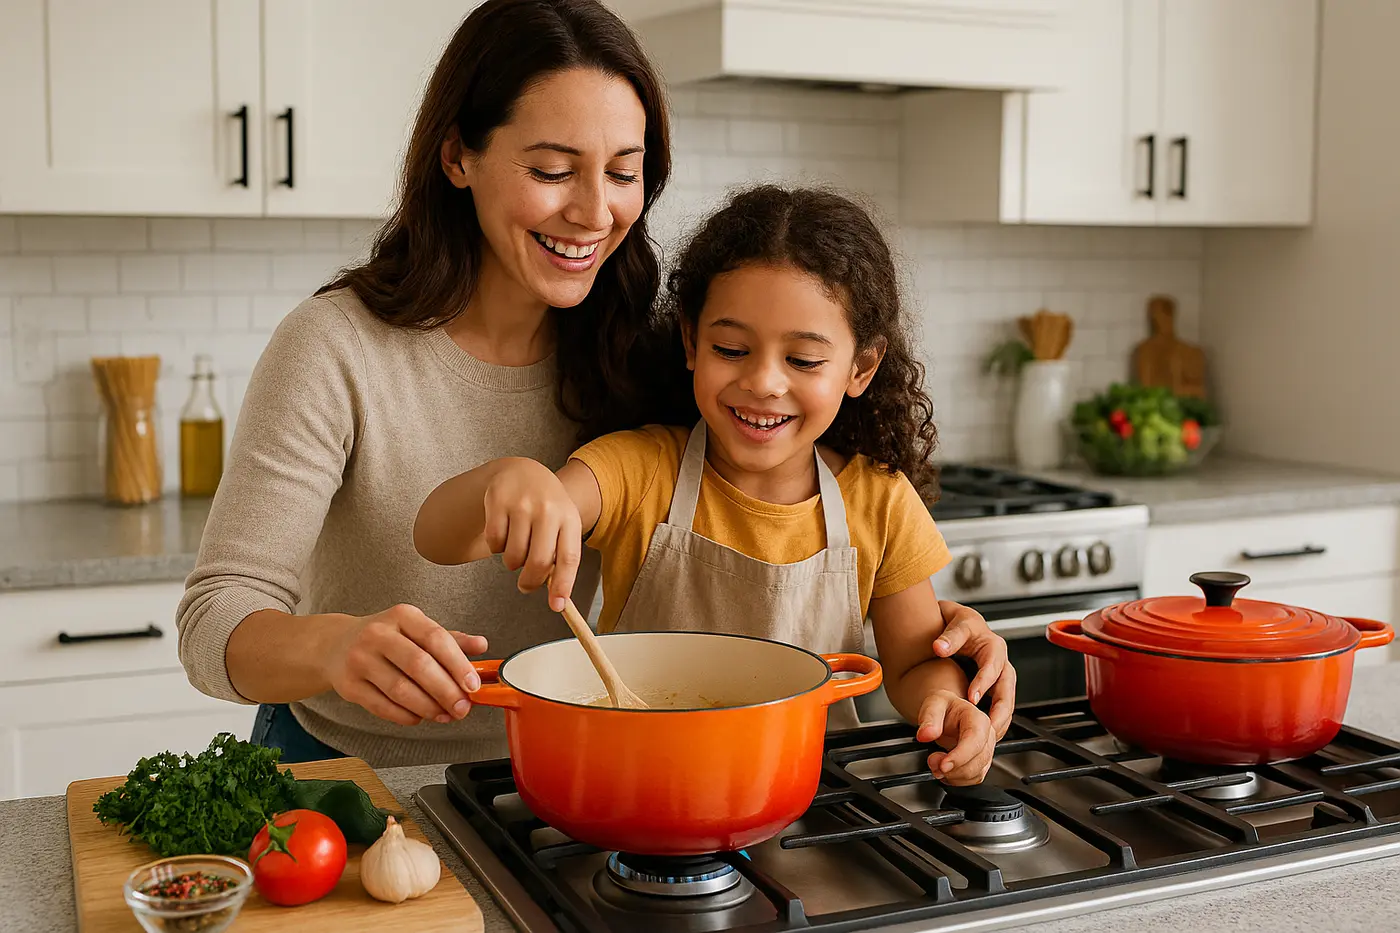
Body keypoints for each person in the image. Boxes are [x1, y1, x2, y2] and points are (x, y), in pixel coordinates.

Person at [176, 0, 1012, 768]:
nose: (593, 211)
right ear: (458, 155)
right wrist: (331, 647)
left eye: (622, 171)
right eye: (551, 169)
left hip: (561, 769)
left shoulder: (639, 351)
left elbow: (752, 539)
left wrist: (944, 651)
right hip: (347, 765)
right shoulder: (336, 347)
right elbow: (216, 614)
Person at [416, 185, 1007, 783]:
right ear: (691, 341)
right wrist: (508, 479)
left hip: (812, 797)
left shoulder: (880, 501)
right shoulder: (639, 471)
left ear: (861, 367)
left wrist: (948, 704)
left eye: (803, 360)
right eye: (731, 348)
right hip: (642, 785)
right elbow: (439, 539)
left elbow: (912, 666)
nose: (763, 382)